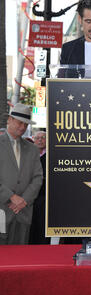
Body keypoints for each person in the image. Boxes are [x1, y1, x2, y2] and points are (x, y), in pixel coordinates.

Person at [0, 103, 43, 244]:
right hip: (2, 210)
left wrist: (24, 200)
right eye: (20, 123)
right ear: (9, 120)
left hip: (23, 212)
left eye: (26, 124)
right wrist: (11, 197)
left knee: (21, 257)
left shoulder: (32, 149)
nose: (23, 127)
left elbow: (38, 178)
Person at [29, 130, 49, 244]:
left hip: (44, 197)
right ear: (33, 139)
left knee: (42, 226)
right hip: (29, 197)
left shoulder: (52, 155)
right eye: (37, 138)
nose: (40, 140)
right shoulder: (29, 155)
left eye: (43, 137)